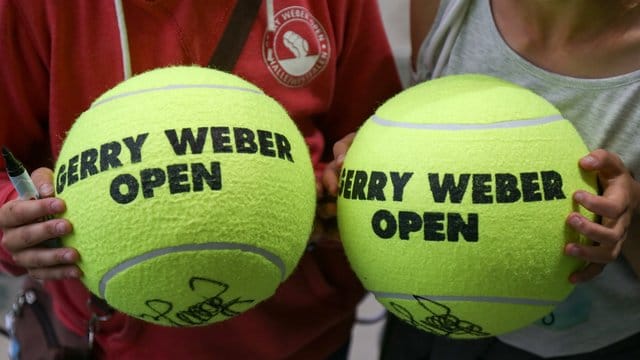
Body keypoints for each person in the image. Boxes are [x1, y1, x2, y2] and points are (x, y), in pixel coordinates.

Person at [0, 0, 402, 359]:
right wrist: (15, 218)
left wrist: (341, 184)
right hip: (113, 338)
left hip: (304, 333)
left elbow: (369, 135)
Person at [325, 0, 640, 359]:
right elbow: (424, 132)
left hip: (591, 344)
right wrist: (372, 161)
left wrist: (632, 212)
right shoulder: (445, 9)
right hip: (430, 319)